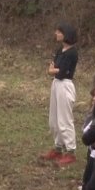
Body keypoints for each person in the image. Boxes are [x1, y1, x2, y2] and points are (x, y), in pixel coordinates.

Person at [39, 23, 79, 166]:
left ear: (66, 34)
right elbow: (53, 67)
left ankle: (70, 151)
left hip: (65, 86)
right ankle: (58, 148)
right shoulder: (59, 50)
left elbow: (62, 72)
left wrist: (54, 70)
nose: (56, 33)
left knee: (64, 119)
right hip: (56, 84)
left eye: (59, 31)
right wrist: (54, 70)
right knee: (54, 119)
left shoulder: (72, 53)